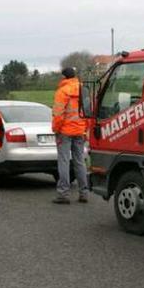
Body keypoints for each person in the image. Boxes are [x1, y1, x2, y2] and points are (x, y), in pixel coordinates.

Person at [51, 66, 89, 204]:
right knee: (80, 162)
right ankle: (84, 193)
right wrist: (86, 129)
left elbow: (58, 114)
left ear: (64, 77)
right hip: (80, 131)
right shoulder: (84, 90)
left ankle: (63, 194)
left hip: (65, 132)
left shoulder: (62, 91)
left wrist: (56, 129)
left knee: (64, 161)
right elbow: (88, 112)